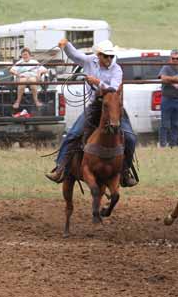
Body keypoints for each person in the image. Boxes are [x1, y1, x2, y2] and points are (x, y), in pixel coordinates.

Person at [45, 39, 138, 187]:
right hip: (96, 106)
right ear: (99, 55)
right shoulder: (90, 61)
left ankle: (125, 171)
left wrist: (97, 82)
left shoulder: (117, 69)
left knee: (130, 138)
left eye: (111, 56)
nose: (109, 59)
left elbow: (113, 89)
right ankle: (60, 168)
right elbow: (75, 56)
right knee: (73, 133)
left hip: (112, 106)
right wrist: (66, 44)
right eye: (106, 56)